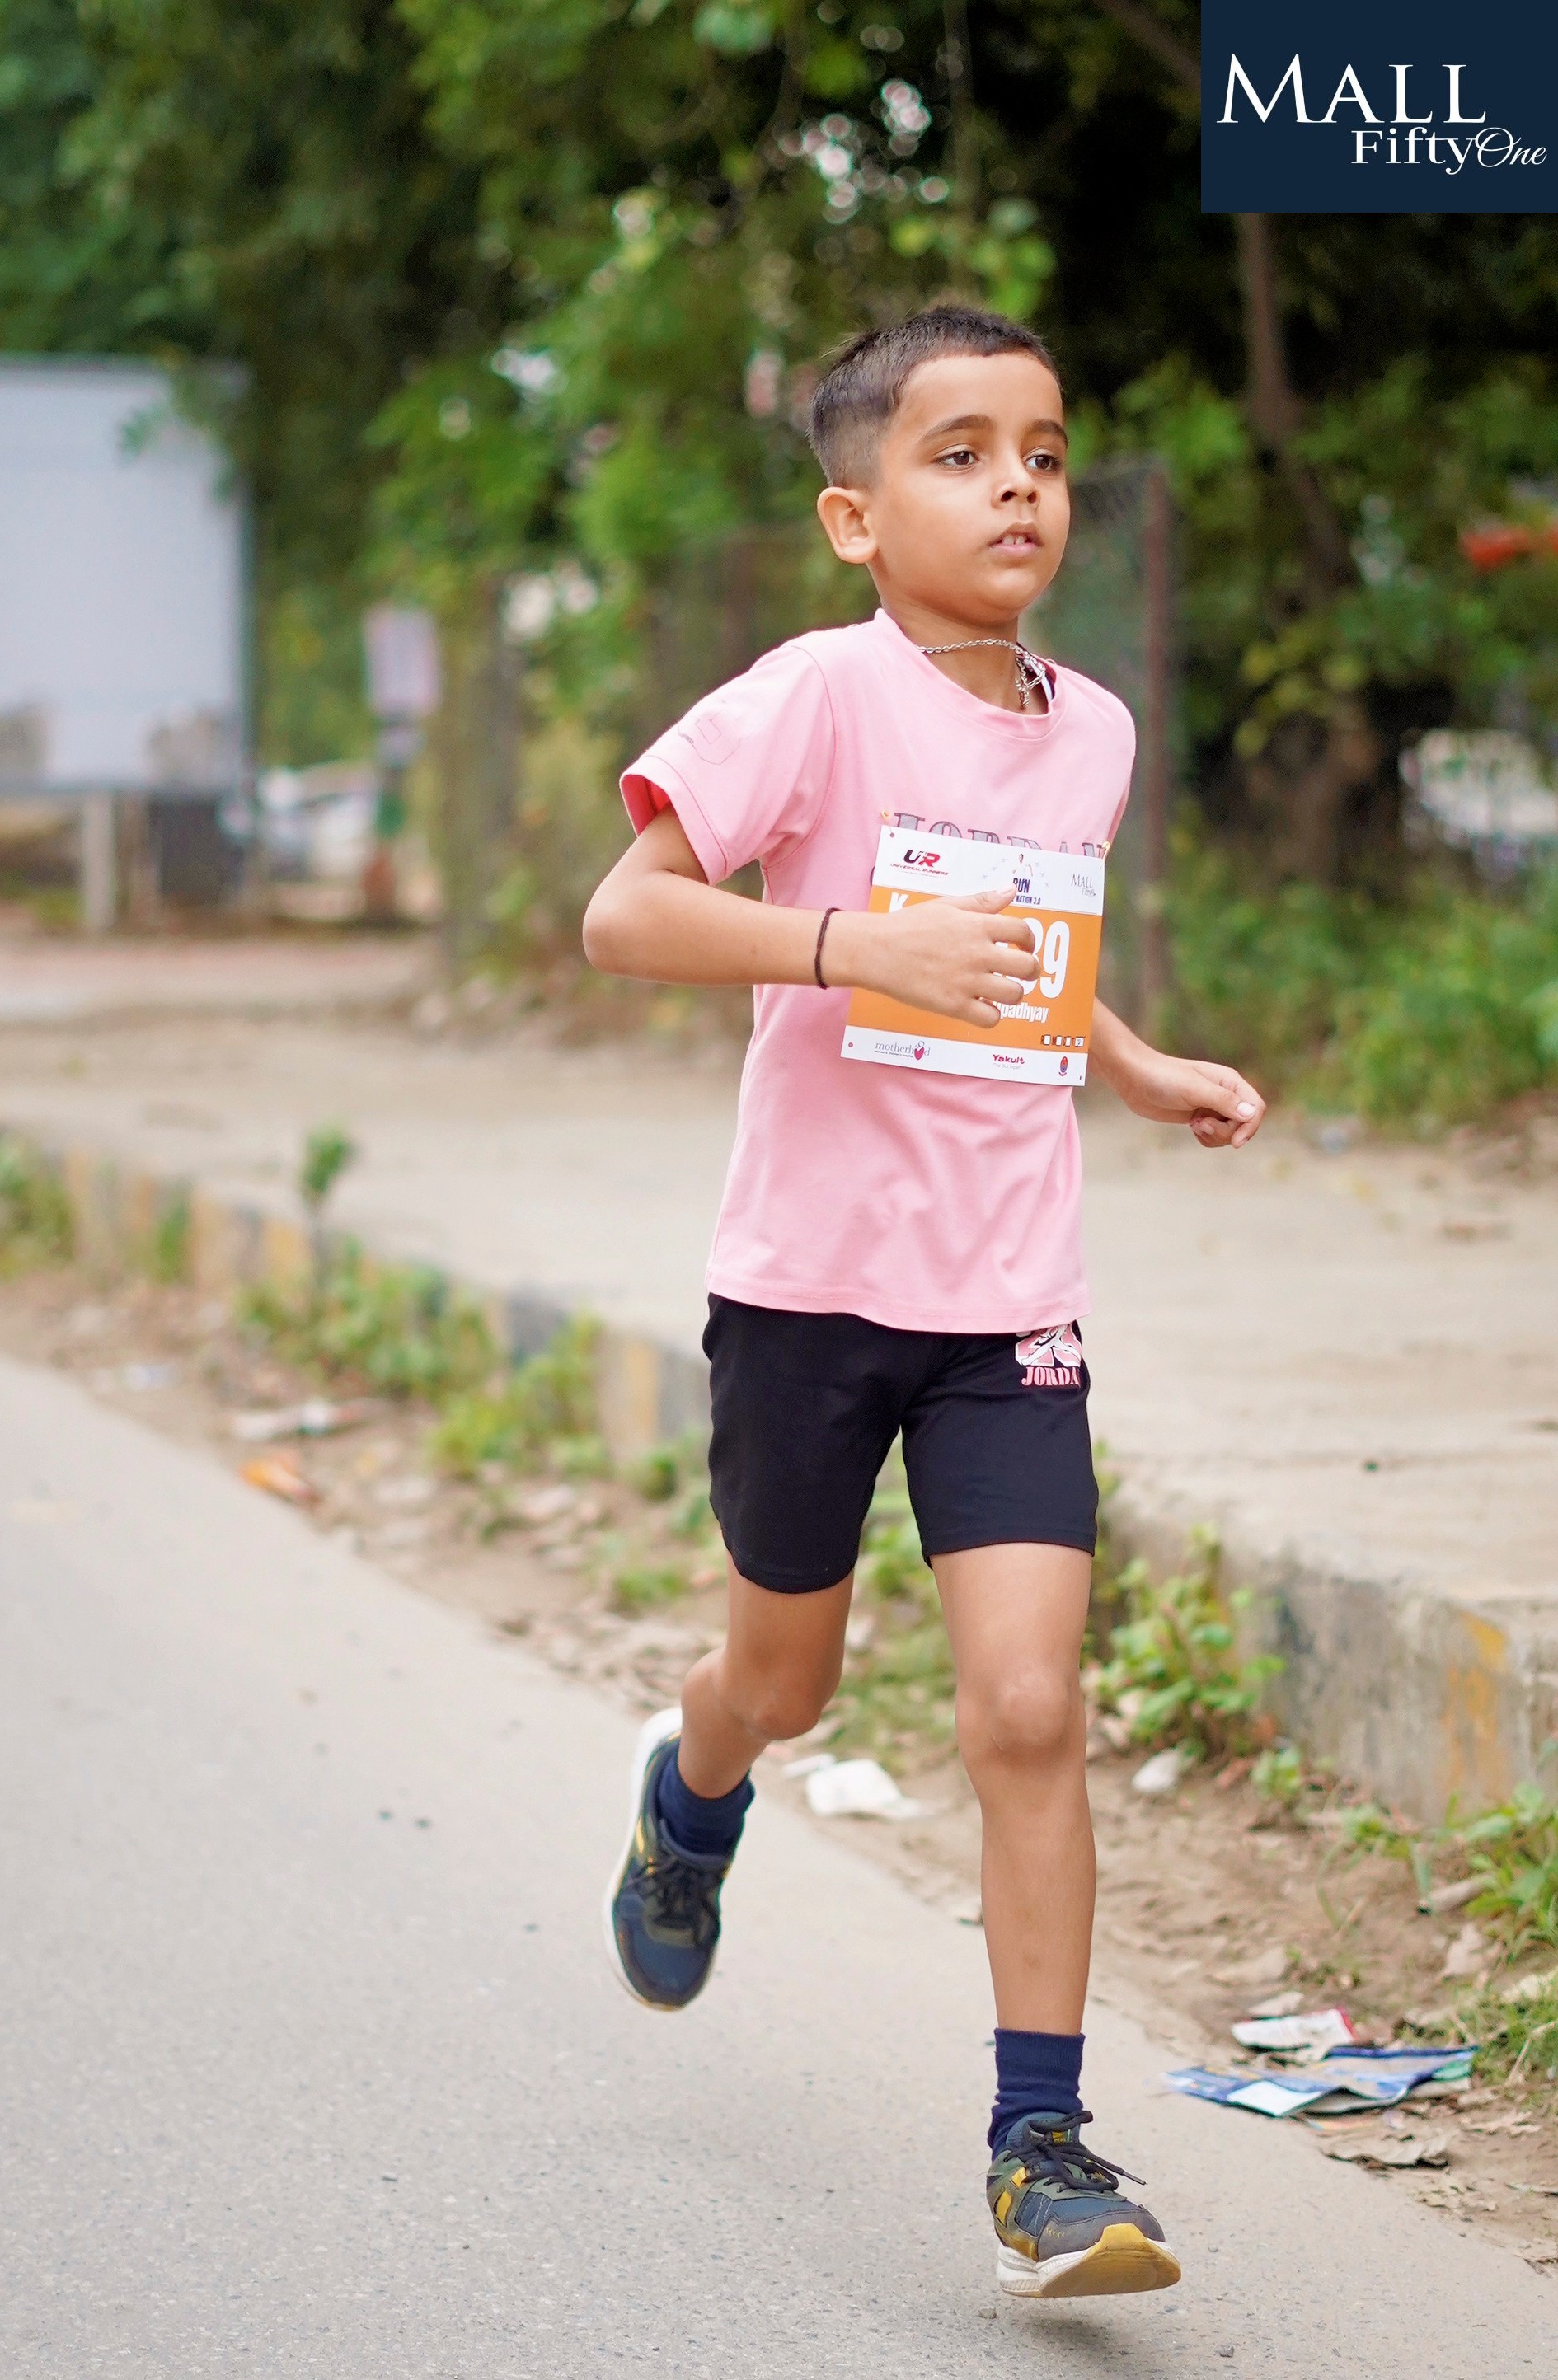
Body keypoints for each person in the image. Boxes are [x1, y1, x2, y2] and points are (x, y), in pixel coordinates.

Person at [582, 304, 1265, 2301]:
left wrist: (1135, 1064)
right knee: (782, 1681)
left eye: (1042, 453)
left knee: (1029, 1708)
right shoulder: (813, 695)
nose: (1017, 488)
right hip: (807, 1293)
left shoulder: (1093, 730)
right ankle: (694, 1786)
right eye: (960, 455)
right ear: (855, 517)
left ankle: (1042, 2145)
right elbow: (625, 913)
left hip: (1005, 1295)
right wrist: (846, 944)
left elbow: (1032, 955)